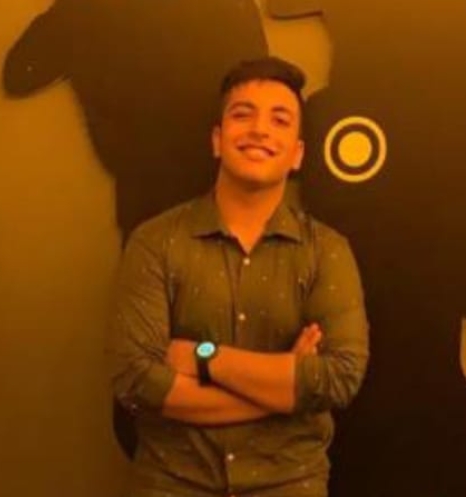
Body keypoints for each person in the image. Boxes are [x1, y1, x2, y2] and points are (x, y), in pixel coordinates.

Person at [109, 56, 369, 497]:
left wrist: (203, 357)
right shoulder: (154, 242)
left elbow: (337, 378)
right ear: (217, 139)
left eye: (279, 119)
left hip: (289, 483)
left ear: (297, 154)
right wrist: (284, 388)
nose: (259, 130)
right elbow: (137, 381)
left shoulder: (327, 250)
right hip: (171, 484)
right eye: (243, 114)